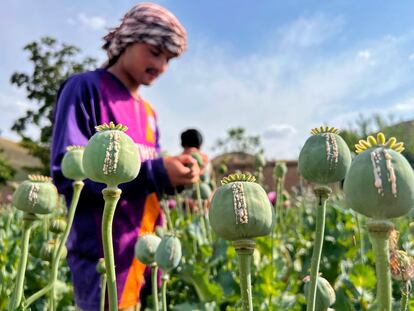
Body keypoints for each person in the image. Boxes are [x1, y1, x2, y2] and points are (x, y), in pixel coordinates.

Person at [50, 3, 199, 310]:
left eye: (169, 59)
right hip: (101, 259)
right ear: (128, 39)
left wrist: (177, 178)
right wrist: (157, 172)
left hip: (144, 254)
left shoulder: (149, 113)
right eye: (155, 52)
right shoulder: (85, 89)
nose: (162, 66)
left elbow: (147, 183)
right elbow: (68, 173)